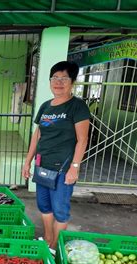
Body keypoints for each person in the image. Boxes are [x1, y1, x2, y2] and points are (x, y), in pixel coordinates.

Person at [22, 61, 90, 254]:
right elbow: (37, 135)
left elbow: (82, 139)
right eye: (54, 78)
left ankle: (55, 248)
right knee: (44, 206)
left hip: (63, 168)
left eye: (64, 79)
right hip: (42, 164)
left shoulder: (77, 107)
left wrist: (75, 167)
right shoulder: (45, 106)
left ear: (72, 82)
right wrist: (27, 162)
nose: (58, 83)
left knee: (60, 209)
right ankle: (49, 240)